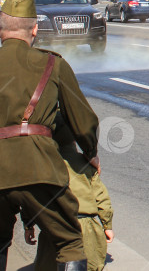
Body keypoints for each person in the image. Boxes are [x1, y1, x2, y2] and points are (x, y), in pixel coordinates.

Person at [0, 0, 100, 271]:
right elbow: (84, 120)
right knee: (69, 243)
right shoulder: (52, 63)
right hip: (39, 171)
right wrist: (90, 151)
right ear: (34, 29)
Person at [26, 115, 114, 271]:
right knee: (88, 266)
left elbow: (32, 197)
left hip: (54, 224)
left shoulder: (43, 163)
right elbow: (101, 197)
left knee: (50, 265)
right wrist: (107, 225)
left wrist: (29, 225)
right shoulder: (86, 163)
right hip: (86, 226)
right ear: (74, 137)